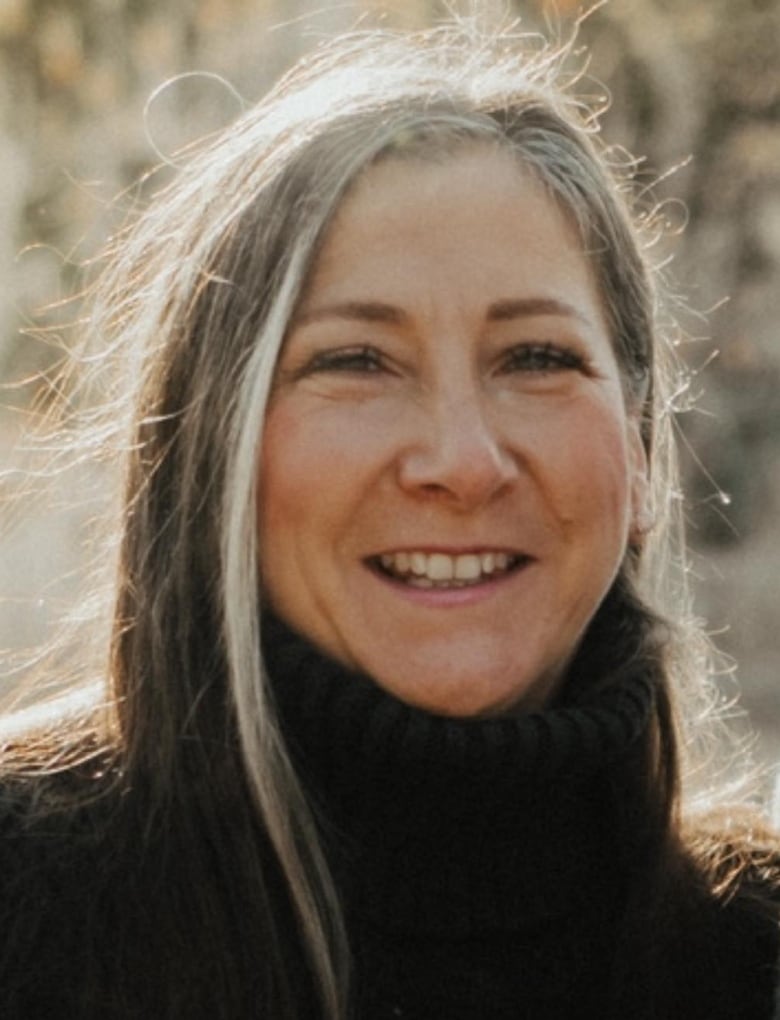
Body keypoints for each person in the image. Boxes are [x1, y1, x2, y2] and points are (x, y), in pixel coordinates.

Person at [1, 19, 778, 1020]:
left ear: (635, 451)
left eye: (537, 358)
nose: (461, 462)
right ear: (210, 458)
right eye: (356, 362)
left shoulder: (750, 956)